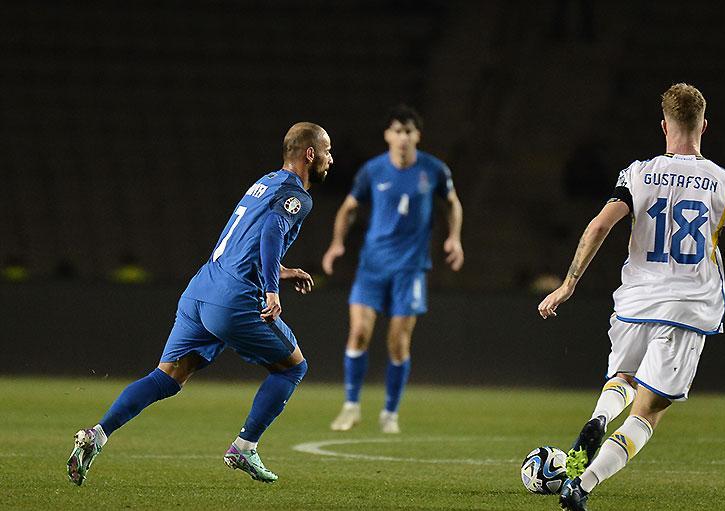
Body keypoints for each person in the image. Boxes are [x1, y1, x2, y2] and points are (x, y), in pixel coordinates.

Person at [538, 83, 725, 511]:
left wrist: (568, 284)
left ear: (664, 126)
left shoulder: (638, 174)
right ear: (704, 126)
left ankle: (599, 417)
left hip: (635, 302)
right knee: (647, 413)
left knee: (623, 379)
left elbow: (598, 226)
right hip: (687, 308)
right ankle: (583, 484)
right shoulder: (724, 183)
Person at [67, 122, 333, 486]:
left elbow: (243, 242)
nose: (331, 159)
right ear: (310, 154)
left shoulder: (263, 183)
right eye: (327, 151)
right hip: (235, 299)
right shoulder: (297, 196)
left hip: (201, 290)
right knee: (292, 368)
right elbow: (272, 231)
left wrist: (281, 271)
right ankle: (245, 446)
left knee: (167, 377)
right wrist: (272, 289)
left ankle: (96, 435)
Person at [322, 105, 464, 433]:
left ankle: (390, 413)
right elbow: (348, 208)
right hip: (372, 266)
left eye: (408, 132)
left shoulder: (434, 170)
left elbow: (452, 203)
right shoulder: (372, 171)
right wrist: (337, 243)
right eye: (397, 131)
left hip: (410, 268)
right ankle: (351, 407)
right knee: (359, 332)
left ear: (418, 136)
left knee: (398, 342)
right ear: (387, 135)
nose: (403, 138)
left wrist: (454, 238)